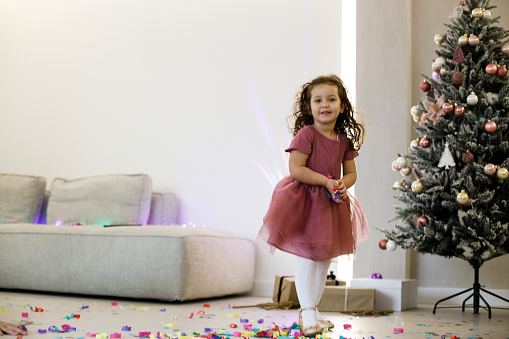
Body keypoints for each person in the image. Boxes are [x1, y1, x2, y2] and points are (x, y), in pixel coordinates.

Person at [258, 74, 369, 337]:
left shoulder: (343, 140)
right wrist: (325, 182)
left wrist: (342, 183)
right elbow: (296, 169)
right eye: (318, 100)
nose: (325, 105)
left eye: (331, 99)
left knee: (324, 260)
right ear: (309, 107)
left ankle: (314, 309)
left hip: (331, 204)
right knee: (309, 257)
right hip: (305, 202)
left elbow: (351, 173)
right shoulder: (307, 134)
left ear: (342, 106)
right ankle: (306, 311)